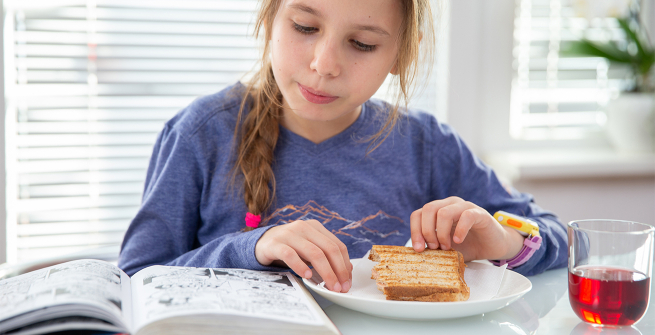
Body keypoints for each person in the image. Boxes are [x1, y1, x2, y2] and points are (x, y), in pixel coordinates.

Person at [118, 0, 568, 293]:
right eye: (304, 26)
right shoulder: (201, 134)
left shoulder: (429, 146)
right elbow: (136, 279)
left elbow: (557, 236)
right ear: (269, 21)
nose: (324, 64)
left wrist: (504, 241)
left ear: (399, 58)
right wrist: (250, 249)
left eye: (362, 43)